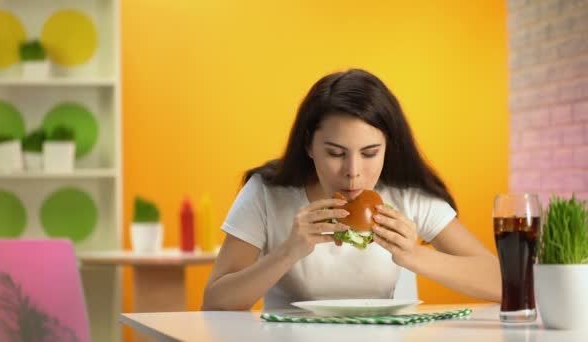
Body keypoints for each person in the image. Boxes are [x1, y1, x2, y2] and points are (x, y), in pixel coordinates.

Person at [202, 68, 501, 311]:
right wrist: (287, 253)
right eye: (335, 153)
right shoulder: (268, 192)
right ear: (309, 144)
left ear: (389, 148)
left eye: (370, 153)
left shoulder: (407, 193)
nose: (353, 172)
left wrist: (414, 256)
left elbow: (504, 283)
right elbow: (214, 302)